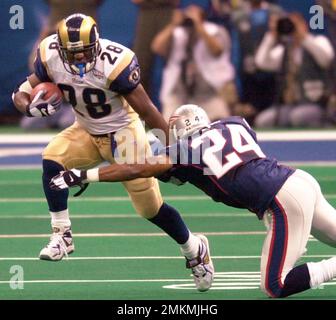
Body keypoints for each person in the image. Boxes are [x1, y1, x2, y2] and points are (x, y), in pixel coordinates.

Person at [12, 13, 214, 292]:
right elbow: (21, 92)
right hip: (85, 129)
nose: (80, 59)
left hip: (124, 133)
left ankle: (194, 247)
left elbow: (147, 111)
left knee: (150, 209)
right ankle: (62, 235)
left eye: (85, 52)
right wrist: (29, 107)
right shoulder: (49, 54)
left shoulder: (115, 62)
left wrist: (173, 151)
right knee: (52, 158)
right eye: (74, 53)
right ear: (60, 49)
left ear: (96, 44)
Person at [51, 104, 336, 298]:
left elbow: (138, 169)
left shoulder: (186, 149)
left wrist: (85, 175)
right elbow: (218, 166)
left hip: (282, 200)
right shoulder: (235, 124)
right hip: (299, 180)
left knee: (275, 284)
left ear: (180, 129)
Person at [151, 4, 236, 122]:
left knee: (222, 123)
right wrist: (173, 24)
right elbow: (156, 48)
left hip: (209, 92)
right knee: (168, 125)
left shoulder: (215, 31)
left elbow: (217, 51)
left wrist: (198, 25)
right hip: (178, 92)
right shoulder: (176, 33)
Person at [254, 13, 335, 128]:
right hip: (292, 104)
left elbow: (326, 59)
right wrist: (272, 35)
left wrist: (303, 37)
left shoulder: (318, 41)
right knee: (264, 120)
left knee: (298, 116)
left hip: (317, 103)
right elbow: (261, 62)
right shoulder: (286, 49)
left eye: (295, 24)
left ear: (304, 25)